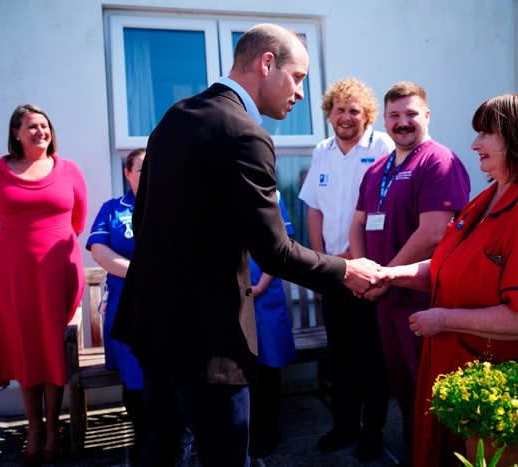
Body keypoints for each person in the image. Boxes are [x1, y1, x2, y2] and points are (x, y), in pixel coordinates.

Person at [111, 23, 384, 467]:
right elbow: (273, 250)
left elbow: (144, 222)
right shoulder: (244, 134)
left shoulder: (172, 118)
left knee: (162, 451)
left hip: (153, 324)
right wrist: (346, 271)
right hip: (210, 339)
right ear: (267, 63)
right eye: (297, 78)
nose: (299, 94)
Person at [383, 93, 518, 466]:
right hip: (462, 378)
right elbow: (449, 266)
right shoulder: (488, 197)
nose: (475, 144)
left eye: (487, 133)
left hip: (504, 398)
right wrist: (390, 274)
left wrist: (442, 319)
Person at [349, 81, 470, 465]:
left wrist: (384, 275)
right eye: (395, 116)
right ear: (384, 120)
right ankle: (415, 454)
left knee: (431, 393)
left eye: (411, 114)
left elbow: (435, 232)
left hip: (423, 300)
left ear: (427, 116)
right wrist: (363, 270)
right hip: (385, 299)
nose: (402, 123)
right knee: (403, 391)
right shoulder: (378, 170)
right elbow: (358, 223)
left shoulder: (439, 162)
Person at [0, 104, 87, 464]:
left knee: (53, 347)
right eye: (32, 127)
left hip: (58, 274)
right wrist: (11, 252)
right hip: (14, 278)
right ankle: (34, 429)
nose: (40, 131)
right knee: (26, 347)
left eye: (44, 125)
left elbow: (77, 220)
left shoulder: (69, 170)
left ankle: (54, 430)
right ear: (16, 134)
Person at [298, 77, 394, 460]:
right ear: (329, 113)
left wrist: (368, 268)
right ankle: (343, 427)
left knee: (372, 358)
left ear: (367, 115)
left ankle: (372, 432)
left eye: (354, 110)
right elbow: (313, 209)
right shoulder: (322, 150)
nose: (346, 117)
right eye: (340, 109)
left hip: (371, 272)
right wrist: (322, 265)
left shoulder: (383, 147)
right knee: (340, 357)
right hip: (335, 271)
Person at [86, 147, 146, 463]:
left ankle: (172, 440)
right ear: (128, 173)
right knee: (135, 379)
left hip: (167, 309)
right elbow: (98, 249)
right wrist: (140, 272)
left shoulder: (173, 206)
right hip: (126, 307)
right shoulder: (113, 209)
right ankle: (143, 438)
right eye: (142, 169)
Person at [248, 190, 296, 459]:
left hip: (264, 294)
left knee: (268, 365)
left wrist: (260, 285)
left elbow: (283, 243)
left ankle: (269, 429)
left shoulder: (272, 196)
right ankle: (248, 430)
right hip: (230, 297)